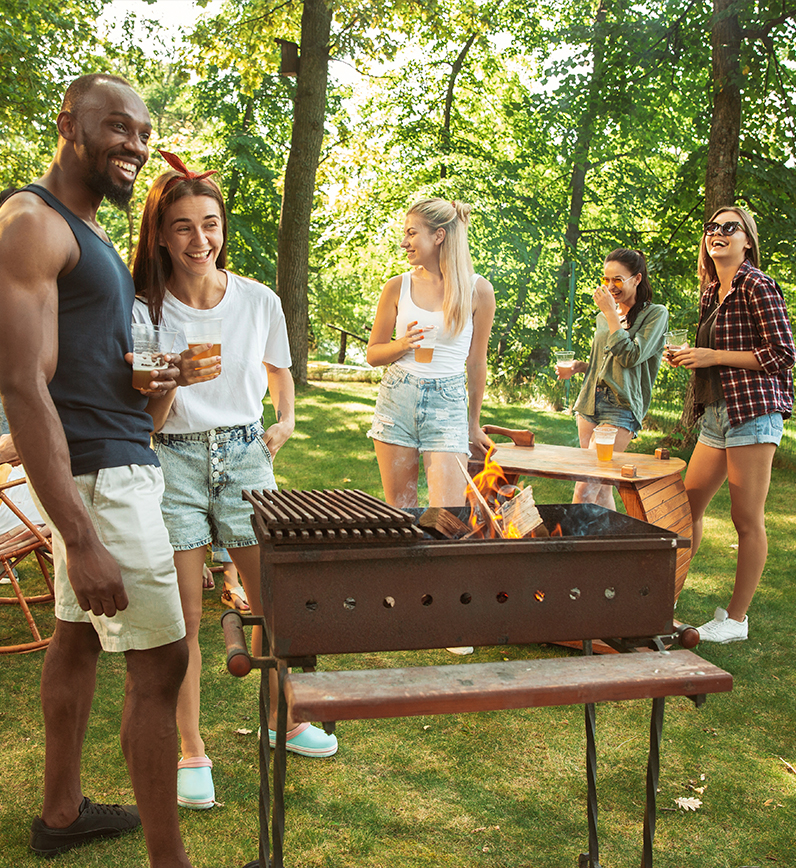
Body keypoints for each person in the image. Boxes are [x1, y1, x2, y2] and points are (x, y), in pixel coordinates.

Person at [0, 74, 195, 866]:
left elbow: (82, 371)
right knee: (163, 664)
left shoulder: (86, 230)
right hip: (98, 485)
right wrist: (80, 536)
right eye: (118, 127)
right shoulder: (29, 224)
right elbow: (21, 383)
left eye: (144, 134)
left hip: (114, 466)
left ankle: (61, 813)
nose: (136, 146)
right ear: (68, 124)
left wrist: (153, 380)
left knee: (76, 640)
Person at [131, 152, 337, 811]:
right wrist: (170, 383)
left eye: (211, 224)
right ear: (160, 234)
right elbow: (143, 417)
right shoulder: (143, 310)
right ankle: (192, 750)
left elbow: (279, 370)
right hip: (174, 459)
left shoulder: (258, 300)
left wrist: (284, 421)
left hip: (246, 458)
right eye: (184, 227)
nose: (201, 240)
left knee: (276, 598)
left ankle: (285, 719)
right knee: (183, 617)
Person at [668, 207, 794, 643]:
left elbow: (782, 353)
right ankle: (667, 595)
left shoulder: (758, 285)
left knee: (746, 519)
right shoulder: (711, 292)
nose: (717, 233)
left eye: (729, 228)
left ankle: (736, 620)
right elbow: (716, 353)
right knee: (686, 509)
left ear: (747, 241)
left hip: (754, 412)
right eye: (712, 228)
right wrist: (690, 355)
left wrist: (712, 356)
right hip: (717, 412)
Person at [366, 198, 496, 508]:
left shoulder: (478, 290)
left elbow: (477, 363)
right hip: (398, 399)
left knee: (448, 516)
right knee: (401, 513)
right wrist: (402, 345)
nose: (404, 243)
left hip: (448, 404)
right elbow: (373, 354)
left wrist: (473, 423)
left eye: (412, 233)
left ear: (438, 236)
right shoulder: (397, 287)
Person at [557, 248, 669, 508]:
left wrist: (610, 313)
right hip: (590, 403)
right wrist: (580, 366)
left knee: (585, 487)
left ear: (637, 279)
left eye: (617, 279)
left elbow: (632, 357)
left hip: (621, 407)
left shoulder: (655, 314)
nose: (610, 286)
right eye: (606, 279)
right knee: (602, 488)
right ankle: (608, 547)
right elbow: (608, 363)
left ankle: (571, 546)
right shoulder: (604, 316)